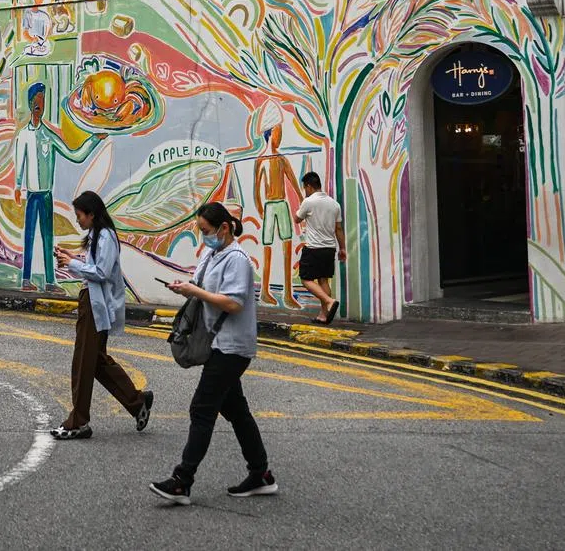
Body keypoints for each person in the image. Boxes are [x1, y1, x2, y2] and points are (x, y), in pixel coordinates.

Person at [151, 202, 277, 505]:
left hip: (232, 347)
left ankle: (182, 480)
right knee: (236, 411)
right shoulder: (213, 253)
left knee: (202, 408)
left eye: (206, 231)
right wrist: (186, 287)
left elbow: (233, 303)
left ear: (223, 228)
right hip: (219, 343)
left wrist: (195, 292)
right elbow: (203, 287)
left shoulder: (238, 260)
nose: (203, 237)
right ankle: (261, 474)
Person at [51, 191, 153, 440]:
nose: (78, 221)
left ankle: (78, 422)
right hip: (94, 303)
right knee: (95, 361)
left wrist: (73, 264)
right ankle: (136, 401)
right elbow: (95, 265)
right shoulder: (98, 235)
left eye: (79, 216)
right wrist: (72, 258)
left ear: (91, 214)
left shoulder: (105, 236)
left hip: (96, 306)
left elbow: (101, 272)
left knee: (83, 364)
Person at [14, 82, 102, 292]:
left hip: (45, 195)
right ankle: (26, 278)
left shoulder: (48, 135)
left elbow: (75, 155)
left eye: (42, 101)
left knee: (47, 238)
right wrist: (18, 186)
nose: (39, 105)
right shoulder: (24, 135)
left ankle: (50, 281)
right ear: (30, 103)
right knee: (29, 237)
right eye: (36, 101)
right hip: (32, 195)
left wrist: (93, 140)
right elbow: (20, 162)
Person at [254, 121, 302, 307]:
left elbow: (292, 180)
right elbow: (257, 187)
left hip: (281, 205)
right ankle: (265, 291)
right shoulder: (261, 160)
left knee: (287, 245)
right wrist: (259, 206)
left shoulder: (281, 159)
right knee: (267, 246)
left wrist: (300, 197)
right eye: (277, 133)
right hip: (269, 205)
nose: (279, 137)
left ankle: (287, 293)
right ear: (269, 135)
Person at [295, 171, 345, 324]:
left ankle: (329, 301)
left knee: (305, 279)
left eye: (305, 188)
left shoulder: (309, 202)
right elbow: (338, 229)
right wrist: (342, 248)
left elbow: (297, 219)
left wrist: (304, 202)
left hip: (314, 248)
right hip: (329, 248)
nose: (305, 191)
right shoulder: (334, 204)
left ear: (309, 186)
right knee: (323, 281)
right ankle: (323, 316)